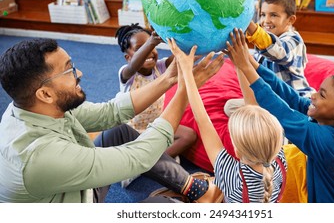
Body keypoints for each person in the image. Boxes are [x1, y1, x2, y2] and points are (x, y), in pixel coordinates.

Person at [0, 38, 224, 203]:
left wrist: (169, 79)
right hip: (80, 199)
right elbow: (139, 157)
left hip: (76, 185)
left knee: (119, 131)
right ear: (45, 94)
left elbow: (112, 111)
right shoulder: (38, 157)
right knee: (160, 206)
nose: (80, 74)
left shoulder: (33, 106)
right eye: (69, 70)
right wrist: (186, 89)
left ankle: (196, 190)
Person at [225, 29, 334, 202]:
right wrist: (251, 63)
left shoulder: (330, 142)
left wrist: (245, 68)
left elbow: (283, 114)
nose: (313, 95)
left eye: (322, 95)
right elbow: (292, 97)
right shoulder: (332, 123)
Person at [167, 38, 287, 203]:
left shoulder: (231, 173)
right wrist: (239, 62)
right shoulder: (279, 157)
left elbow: (202, 120)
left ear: (237, 152)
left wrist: (187, 71)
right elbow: (252, 109)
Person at [224, 0, 314, 116]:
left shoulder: (294, 40)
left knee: (249, 113)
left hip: (295, 102)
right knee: (230, 106)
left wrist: (248, 24)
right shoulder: (261, 46)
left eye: (273, 15)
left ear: (290, 20)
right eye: (263, 14)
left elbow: (277, 51)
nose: (266, 20)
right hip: (272, 100)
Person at [115, 24, 196, 161]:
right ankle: (151, 162)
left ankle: (152, 161)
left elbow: (183, 56)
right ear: (128, 58)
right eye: (140, 49)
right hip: (132, 132)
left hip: (156, 125)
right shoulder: (126, 73)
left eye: (152, 48)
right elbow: (134, 65)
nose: (149, 52)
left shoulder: (161, 66)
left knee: (189, 135)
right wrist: (151, 41)